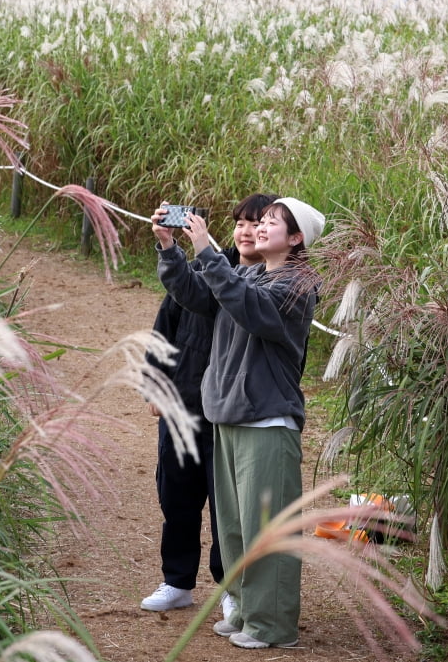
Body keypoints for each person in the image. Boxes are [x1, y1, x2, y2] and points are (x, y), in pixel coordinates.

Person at [151, 197, 325, 650]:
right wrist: (171, 249)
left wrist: (208, 250)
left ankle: (272, 626)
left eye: (271, 222)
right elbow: (197, 296)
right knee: (234, 529)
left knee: (265, 527)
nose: (260, 228)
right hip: (227, 415)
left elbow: (249, 306)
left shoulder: (296, 285)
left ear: (296, 237)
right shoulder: (249, 273)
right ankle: (245, 610)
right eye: (259, 220)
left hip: (268, 421)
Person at [139, 193, 278, 620]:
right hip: (184, 403)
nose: (247, 231)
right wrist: (156, 385)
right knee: (176, 496)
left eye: (258, 223)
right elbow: (168, 323)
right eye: (239, 223)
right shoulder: (205, 266)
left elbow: (218, 299)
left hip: (232, 410)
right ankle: (177, 581)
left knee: (227, 508)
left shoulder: (267, 284)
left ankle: (230, 586)